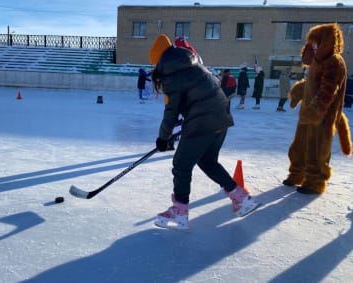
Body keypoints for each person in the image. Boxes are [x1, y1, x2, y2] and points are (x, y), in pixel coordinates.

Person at [148, 34, 259, 230]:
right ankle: (242, 198)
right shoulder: (193, 65)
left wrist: (162, 138)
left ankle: (180, 212)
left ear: (159, 62)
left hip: (203, 123)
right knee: (208, 161)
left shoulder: (173, 75)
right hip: (221, 120)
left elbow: (171, 111)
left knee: (181, 164)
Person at [284, 23, 351, 194]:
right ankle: (296, 174)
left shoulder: (335, 61)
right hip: (307, 113)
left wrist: (315, 111)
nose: (313, 45)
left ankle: (315, 181)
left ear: (326, 41)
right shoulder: (316, 61)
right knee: (298, 147)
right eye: (311, 42)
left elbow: (328, 89)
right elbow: (312, 83)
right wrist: (300, 91)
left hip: (323, 115)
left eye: (316, 41)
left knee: (317, 149)